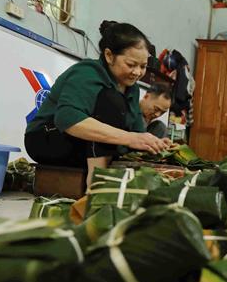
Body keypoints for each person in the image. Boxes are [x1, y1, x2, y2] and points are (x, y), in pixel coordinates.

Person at [25, 20, 171, 183]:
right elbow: (66, 118)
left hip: (83, 146)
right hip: (47, 139)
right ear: (109, 56)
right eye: (131, 64)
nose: (137, 72)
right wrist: (130, 138)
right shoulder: (88, 72)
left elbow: (136, 131)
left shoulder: (132, 88)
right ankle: (95, 184)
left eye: (143, 66)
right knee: (111, 100)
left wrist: (154, 144)